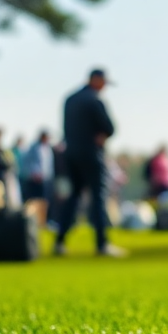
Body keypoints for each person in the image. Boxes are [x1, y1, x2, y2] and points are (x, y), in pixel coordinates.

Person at [55, 67, 124, 257]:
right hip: (91, 154)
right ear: (96, 80)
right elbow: (109, 127)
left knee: (73, 197)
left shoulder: (70, 99)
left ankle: (59, 241)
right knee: (98, 197)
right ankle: (102, 244)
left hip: (71, 154)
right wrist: (102, 135)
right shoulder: (95, 100)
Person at [22, 130, 55, 204]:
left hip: (46, 178)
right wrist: (34, 173)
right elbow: (29, 161)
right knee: (35, 198)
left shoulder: (48, 148)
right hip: (36, 178)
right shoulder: (34, 147)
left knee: (45, 199)